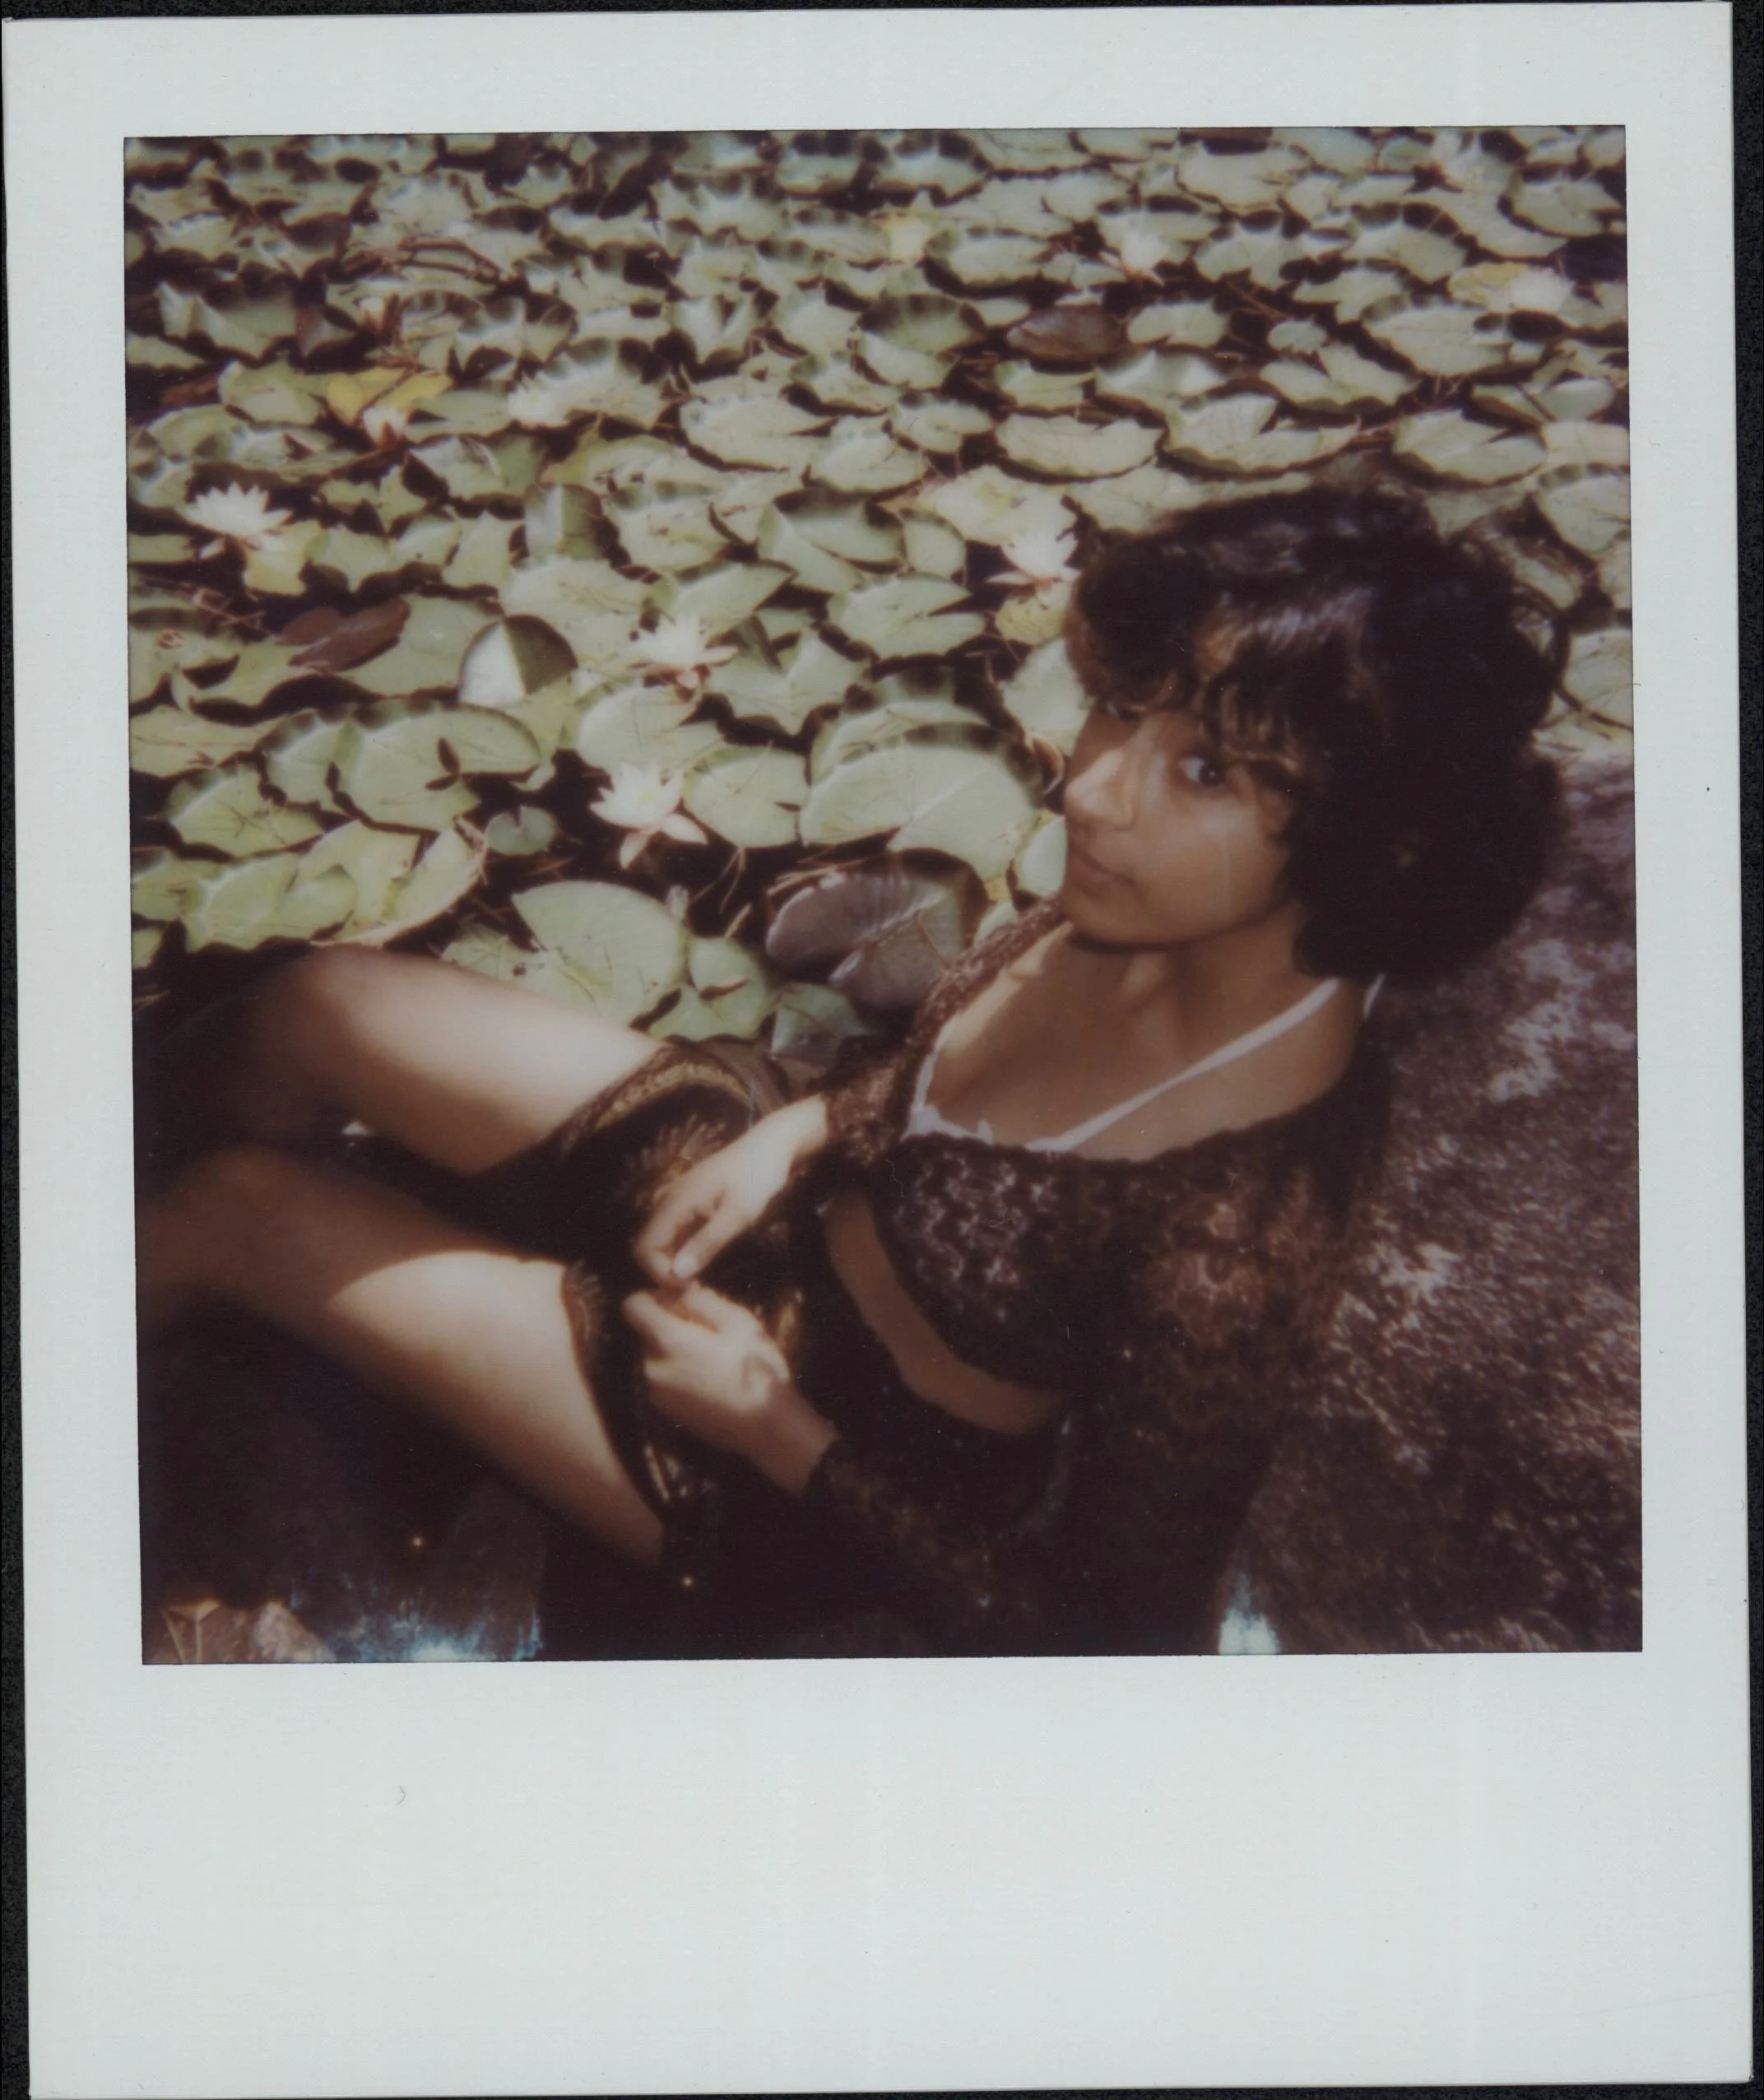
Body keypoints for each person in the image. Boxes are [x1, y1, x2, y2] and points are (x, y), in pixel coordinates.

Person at [137, 485, 1563, 1656]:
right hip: (771, 1193)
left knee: (236, 1210)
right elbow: (948, 1080)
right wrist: (813, 1124)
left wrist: (783, 1434)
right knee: (312, 1003)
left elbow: (1100, 1631)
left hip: (761, 1460)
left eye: (1205, 772)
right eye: (1127, 712)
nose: (1090, 786)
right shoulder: (1160, 895)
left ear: (1374, 837)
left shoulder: (1237, 1233)